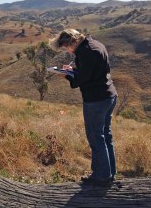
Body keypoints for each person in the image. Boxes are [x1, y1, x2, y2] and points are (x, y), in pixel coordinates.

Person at [50, 29, 118, 186]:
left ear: (71, 42)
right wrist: (72, 70)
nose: (68, 51)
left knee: (95, 137)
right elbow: (92, 71)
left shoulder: (85, 52)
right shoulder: (96, 44)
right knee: (105, 135)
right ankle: (110, 172)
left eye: (66, 47)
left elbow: (83, 79)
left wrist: (66, 75)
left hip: (96, 99)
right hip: (109, 95)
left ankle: (101, 176)